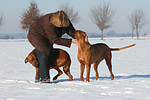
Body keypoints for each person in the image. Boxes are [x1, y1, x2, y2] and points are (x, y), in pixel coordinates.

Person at [27, 11, 78, 83]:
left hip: (47, 36)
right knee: (44, 53)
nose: (60, 27)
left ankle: (39, 78)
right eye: (58, 25)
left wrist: (80, 37)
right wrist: (70, 41)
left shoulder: (65, 20)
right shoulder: (48, 23)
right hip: (36, 35)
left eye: (62, 25)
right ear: (55, 22)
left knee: (50, 53)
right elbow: (55, 39)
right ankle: (43, 79)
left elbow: (71, 31)